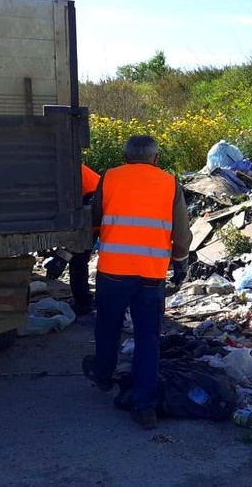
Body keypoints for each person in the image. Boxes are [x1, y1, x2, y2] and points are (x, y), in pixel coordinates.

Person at [82, 135, 193, 430]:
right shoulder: (170, 183)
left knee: (108, 326)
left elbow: (94, 219)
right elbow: (181, 235)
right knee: (148, 338)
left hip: (113, 271)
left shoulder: (109, 177)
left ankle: (103, 375)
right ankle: (144, 406)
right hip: (151, 275)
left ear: (125, 157)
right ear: (155, 159)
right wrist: (180, 262)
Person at [69, 164, 101, 316]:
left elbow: (86, 226)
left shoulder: (72, 174)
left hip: (96, 217)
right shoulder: (70, 168)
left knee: (78, 259)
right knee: (79, 258)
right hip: (96, 214)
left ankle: (84, 303)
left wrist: (63, 255)